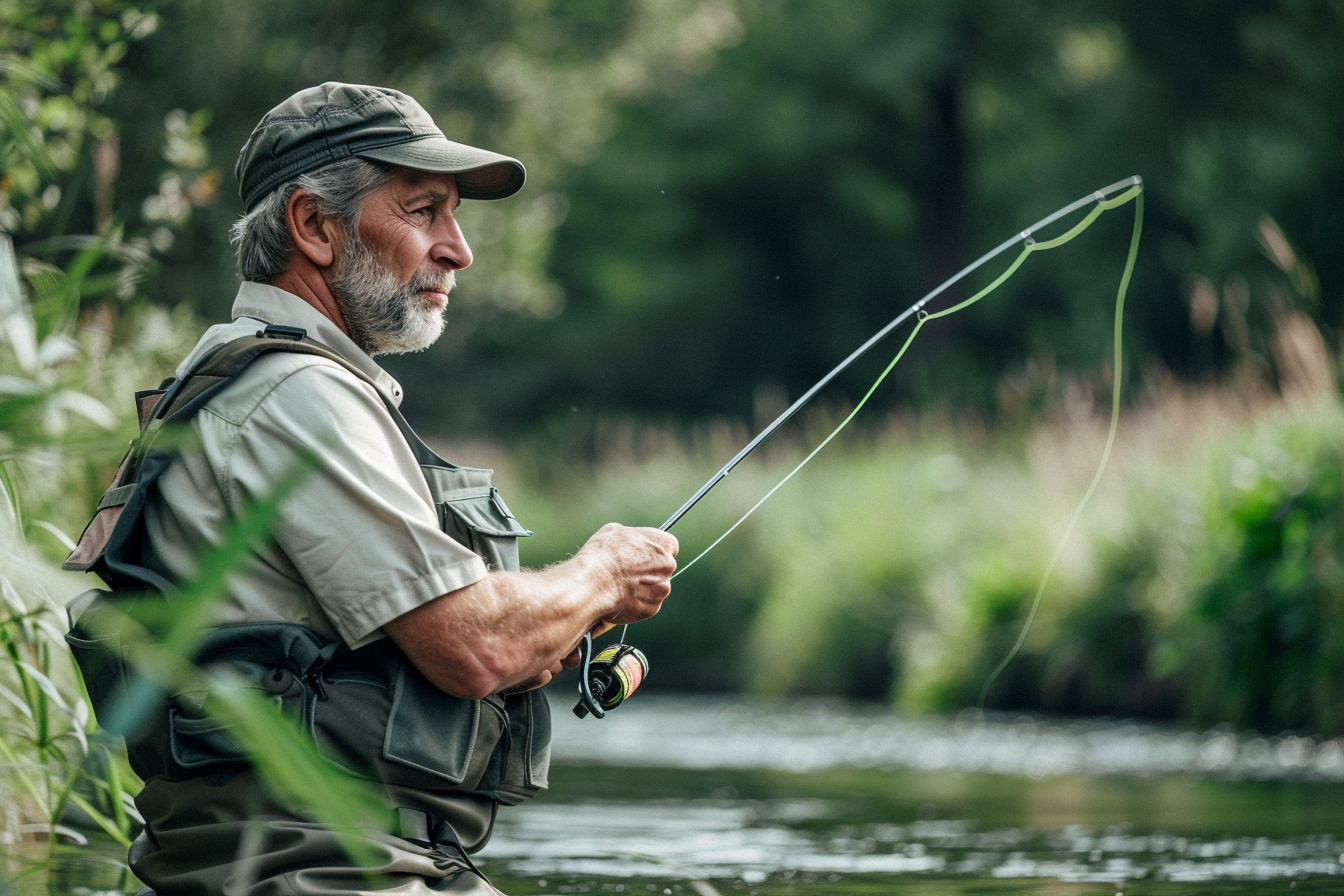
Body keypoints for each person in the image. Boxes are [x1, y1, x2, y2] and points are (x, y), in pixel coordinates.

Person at [63, 82, 678, 895]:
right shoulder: (295, 395)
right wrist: (601, 573)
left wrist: (542, 632)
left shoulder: (250, 377)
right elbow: (473, 647)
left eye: (454, 216)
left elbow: (382, 643)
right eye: (424, 211)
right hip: (318, 867)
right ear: (314, 226)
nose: (459, 249)